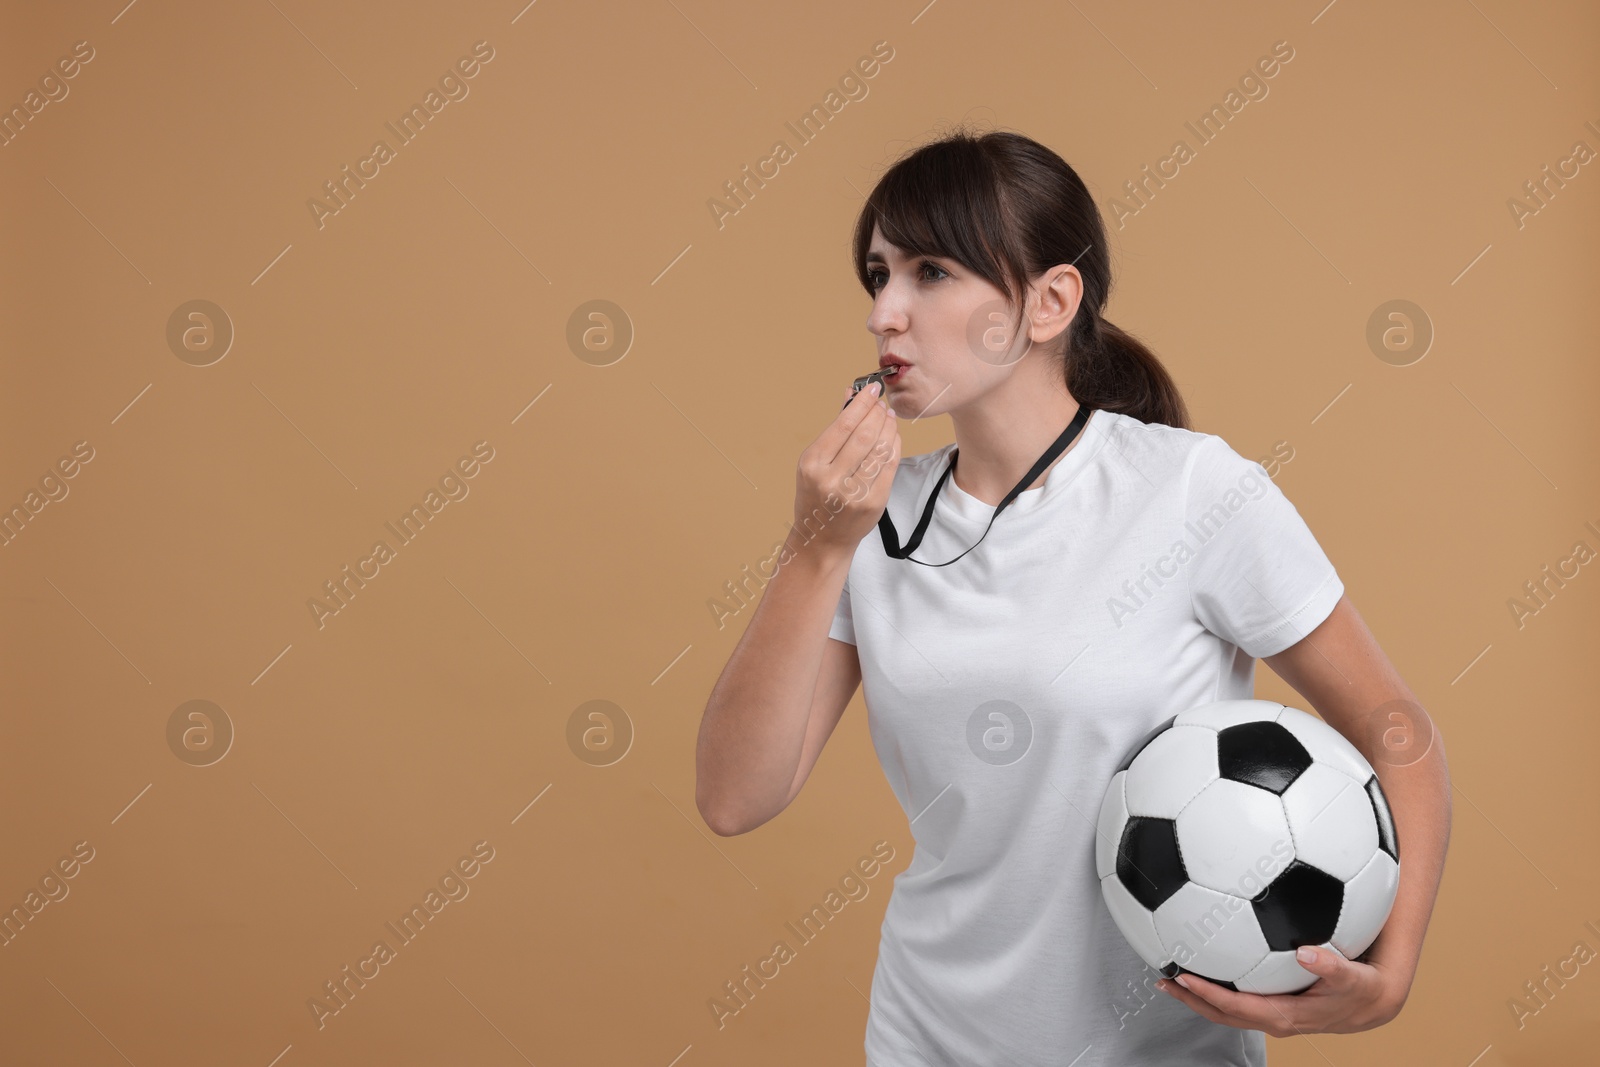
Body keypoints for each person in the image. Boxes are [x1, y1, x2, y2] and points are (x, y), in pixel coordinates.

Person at [694, 127, 1451, 1067]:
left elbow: (1398, 727)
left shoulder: (1191, 492)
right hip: (925, 1038)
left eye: (930, 272)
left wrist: (1394, 966)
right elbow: (735, 796)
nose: (885, 312)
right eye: (877, 274)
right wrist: (812, 552)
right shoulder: (867, 519)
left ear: (1049, 301)